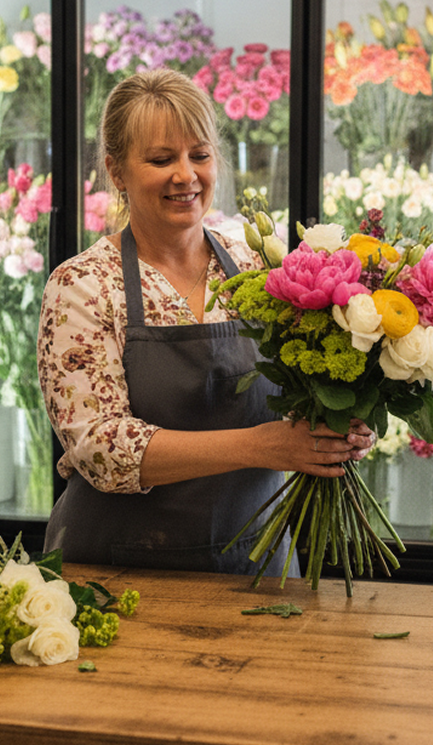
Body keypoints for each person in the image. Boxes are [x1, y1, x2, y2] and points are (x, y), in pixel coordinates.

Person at [38, 69, 374, 573]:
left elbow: (313, 389)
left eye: (199, 155)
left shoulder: (261, 268)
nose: (186, 175)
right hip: (119, 572)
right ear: (116, 170)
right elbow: (100, 449)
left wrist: (341, 427)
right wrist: (263, 446)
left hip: (256, 566)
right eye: (160, 159)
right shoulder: (83, 285)